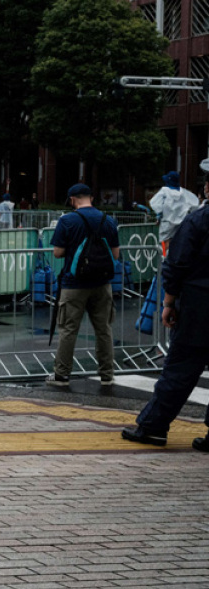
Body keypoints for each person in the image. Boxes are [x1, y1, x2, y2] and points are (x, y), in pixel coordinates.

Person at [122, 203, 209, 451]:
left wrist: (168, 302)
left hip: (198, 306)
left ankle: (154, 427)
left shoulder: (199, 220)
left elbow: (177, 263)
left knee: (180, 368)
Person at [47, 183, 120, 387]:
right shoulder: (108, 220)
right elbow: (115, 254)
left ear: (72, 200)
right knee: (104, 329)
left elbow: (58, 253)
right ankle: (107, 374)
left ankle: (62, 375)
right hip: (102, 284)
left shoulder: (67, 220)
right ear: (91, 198)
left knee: (68, 330)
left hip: (74, 284)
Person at [150, 171, 199, 248]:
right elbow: (195, 204)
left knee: (164, 242)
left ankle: (165, 255)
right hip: (181, 223)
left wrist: (159, 215)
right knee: (178, 242)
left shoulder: (164, 191)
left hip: (167, 223)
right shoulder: (184, 192)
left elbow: (155, 203)